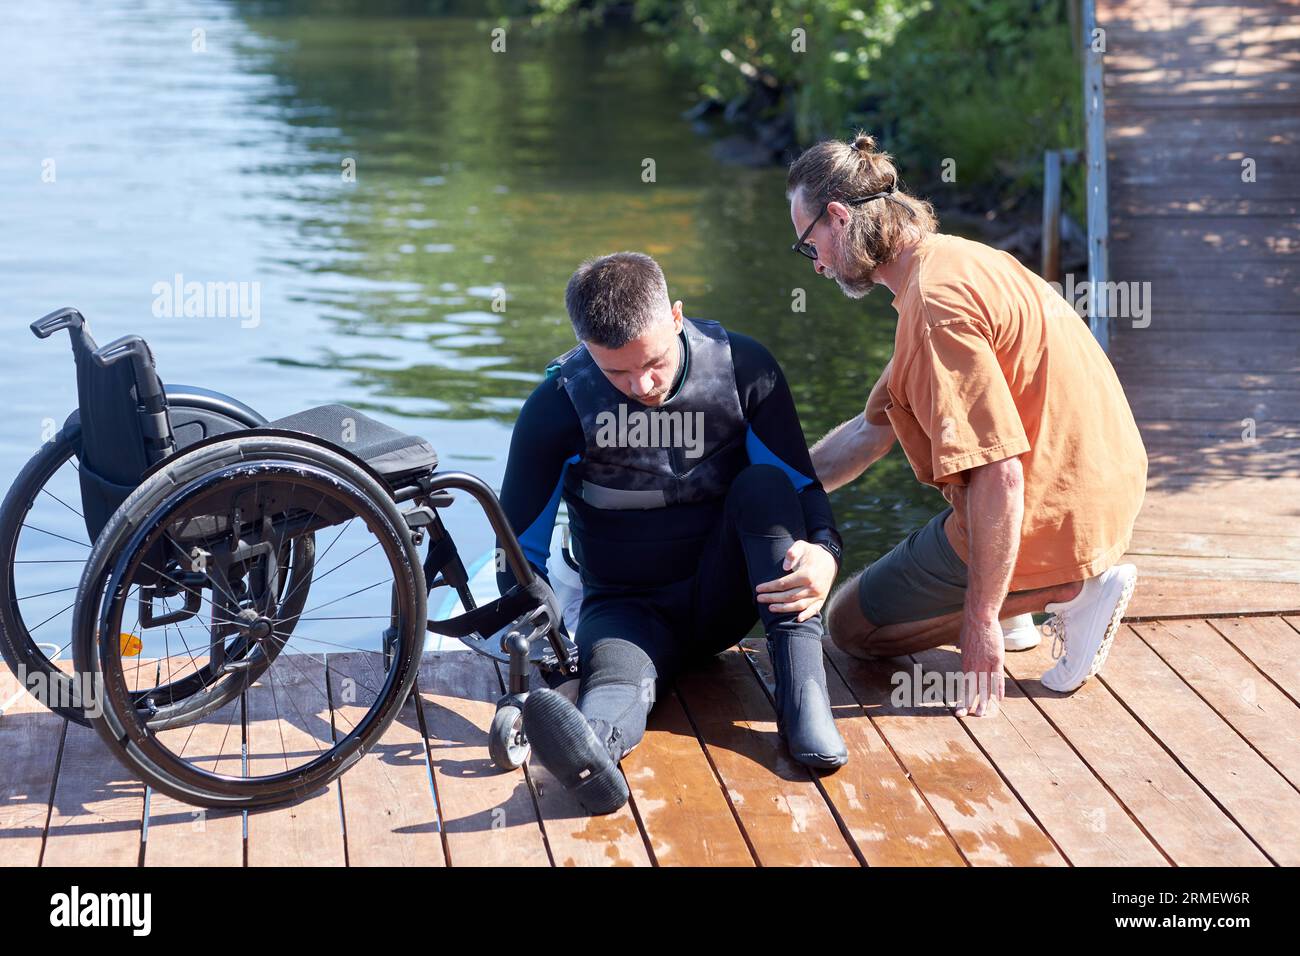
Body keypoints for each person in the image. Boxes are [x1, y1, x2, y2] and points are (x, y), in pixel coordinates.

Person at [787, 133, 1148, 717]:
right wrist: (765, 488)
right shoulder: (953, 257)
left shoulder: (932, 309)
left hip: (1051, 508)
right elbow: (868, 433)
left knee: (850, 626)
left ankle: (1069, 591)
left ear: (838, 216)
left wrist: (979, 620)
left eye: (811, 246)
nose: (820, 265)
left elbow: (1001, 472)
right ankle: (1023, 606)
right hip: (1107, 483)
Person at [498, 251, 847, 814]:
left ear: (677, 317)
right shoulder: (557, 407)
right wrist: (553, 652)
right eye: (617, 372)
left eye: (654, 362)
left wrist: (826, 553)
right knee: (612, 695)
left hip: (728, 597)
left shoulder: (745, 369)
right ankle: (592, 759)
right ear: (585, 348)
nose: (642, 384)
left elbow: (801, 488)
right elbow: (518, 556)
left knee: (763, 487)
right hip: (626, 609)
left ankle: (805, 701)